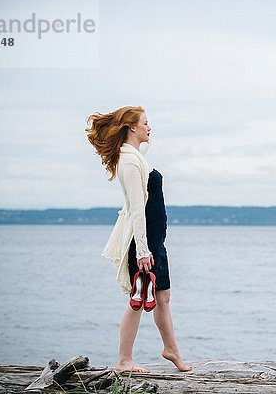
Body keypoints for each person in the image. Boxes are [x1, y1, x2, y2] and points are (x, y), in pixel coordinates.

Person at [85, 106, 191, 373]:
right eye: (145, 123)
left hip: (155, 240)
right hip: (142, 243)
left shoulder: (135, 155)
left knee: (162, 295)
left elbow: (140, 151)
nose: (149, 127)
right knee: (139, 298)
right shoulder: (129, 161)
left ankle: (171, 350)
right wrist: (143, 251)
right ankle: (124, 360)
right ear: (132, 127)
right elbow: (136, 209)